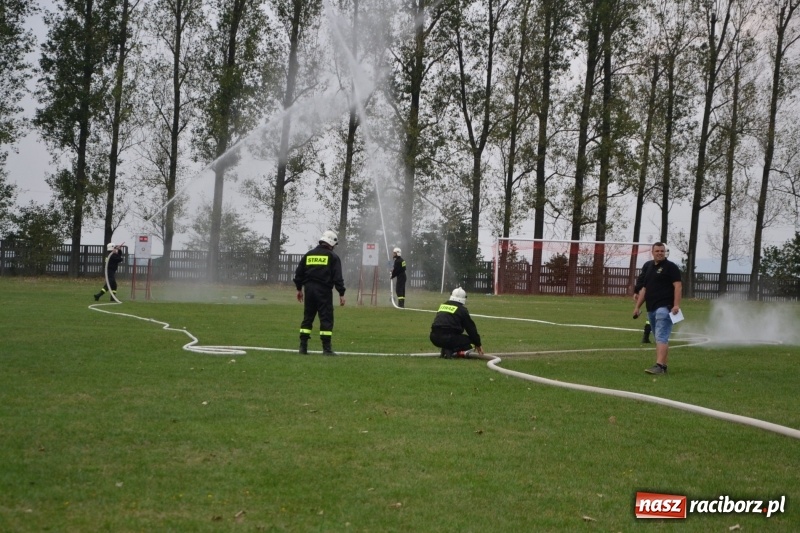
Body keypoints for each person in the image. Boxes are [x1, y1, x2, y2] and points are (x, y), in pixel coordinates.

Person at [293, 230, 346, 355]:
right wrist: (341, 293)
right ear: (331, 243)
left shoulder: (309, 255)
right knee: (326, 318)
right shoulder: (332, 257)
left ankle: (303, 347)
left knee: (308, 317)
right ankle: (327, 349)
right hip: (324, 291)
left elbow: (299, 274)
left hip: (309, 290)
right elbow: (337, 277)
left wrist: (299, 289)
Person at [633, 242, 682, 374]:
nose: (660, 253)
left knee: (661, 337)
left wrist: (676, 304)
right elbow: (645, 289)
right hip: (651, 308)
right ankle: (663, 367)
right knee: (659, 338)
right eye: (657, 251)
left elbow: (678, 286)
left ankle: (659, 366)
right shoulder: (649, 267)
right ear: (652, 252)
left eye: (662, 251)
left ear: (665, 252)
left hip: (665, 308)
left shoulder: (671, 267)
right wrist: (637, 307)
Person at [429, 287, 485, 359]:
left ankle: (445, 349)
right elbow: (470, 328)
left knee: (451, 337)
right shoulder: (462, 310)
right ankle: (451, 350)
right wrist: (478, 343)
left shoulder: (443, 305)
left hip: (434, 337)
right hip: (448, 338)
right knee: (471, 342)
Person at [633, 259, 654, 343]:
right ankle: (648, 336)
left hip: (655, 294)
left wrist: (636, 290)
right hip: (655, 294)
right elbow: (642, 279)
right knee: (653, 315)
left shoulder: (669, 266)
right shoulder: (649, 265)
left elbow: (641, 278)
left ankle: (646, 336)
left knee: (651, 315)